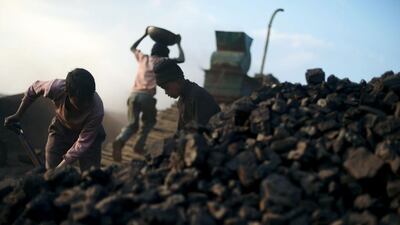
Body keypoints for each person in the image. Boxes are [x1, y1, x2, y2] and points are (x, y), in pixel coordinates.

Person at [4, 68, 105, 171]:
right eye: (81, 101)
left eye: (89, 99)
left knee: (91, 173)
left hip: (90, 136)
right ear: (67, 92)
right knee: (51, 167)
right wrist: (18, 115)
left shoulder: (97, 110)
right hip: (61, 127)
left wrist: (60, 167)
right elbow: (33, 90)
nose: (86, 104)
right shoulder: (56, 87)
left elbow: (82, 144)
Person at [112, 27, 185, 162]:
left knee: (132, 124)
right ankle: (139, 147)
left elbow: (132, 47)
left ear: (152, 50)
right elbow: (181, 59)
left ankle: (120, 140)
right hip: (147, 97)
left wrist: (145, 35)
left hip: (133, 95)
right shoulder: (163, 61)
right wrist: (178, 43)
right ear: (165, 53)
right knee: (149, 122)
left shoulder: (143, 58)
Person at [153, 59, 220, 131]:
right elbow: (181, 131)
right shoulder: (182, 100)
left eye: (166, 88)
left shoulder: (198, 96)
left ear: (177, 81)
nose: (166, 92)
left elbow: (201, 132)